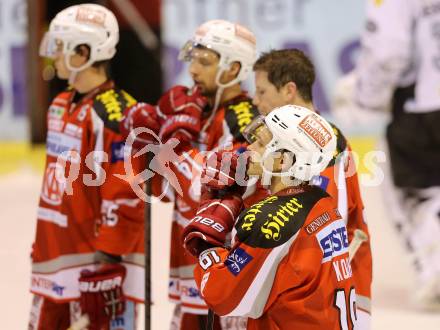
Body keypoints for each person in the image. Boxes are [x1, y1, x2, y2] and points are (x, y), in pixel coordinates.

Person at [120, 19, 260, 329]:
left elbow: (206, 187)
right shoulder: (199, 109)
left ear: (234, 69)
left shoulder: (242, 121)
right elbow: (164, 190)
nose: (193, 69)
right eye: (193, 57)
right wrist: (149, 140)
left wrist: (174, 144)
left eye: (205, 61)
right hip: (191, 262)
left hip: (226, 265)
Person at [183, 104, 357, 329]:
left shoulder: (270, 221)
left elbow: (222, 297)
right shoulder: (322, 202)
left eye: (261, 143)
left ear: (283, 160)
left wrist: (207, 244)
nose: (249, 147)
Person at [29, 4, 145, 330]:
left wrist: (109, 255)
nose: (53, 55)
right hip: (53, 260)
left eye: (61, 47)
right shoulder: (60, 104)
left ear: (84, 52)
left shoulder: (119, 113)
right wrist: (43, 243)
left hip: (94, 268)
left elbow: (127, 191)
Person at [251, 49, 372, 326]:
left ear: (289, 90)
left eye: (262, 91)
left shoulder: (320, 145)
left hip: (324, 296)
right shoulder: (288, 138)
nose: (255, 101)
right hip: (310, 290)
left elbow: (328, 221)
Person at [337, 0, 440, 308]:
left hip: (422, 108)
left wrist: (365, 99)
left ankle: (433, 267)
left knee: (414, 193)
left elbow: (389, 50)